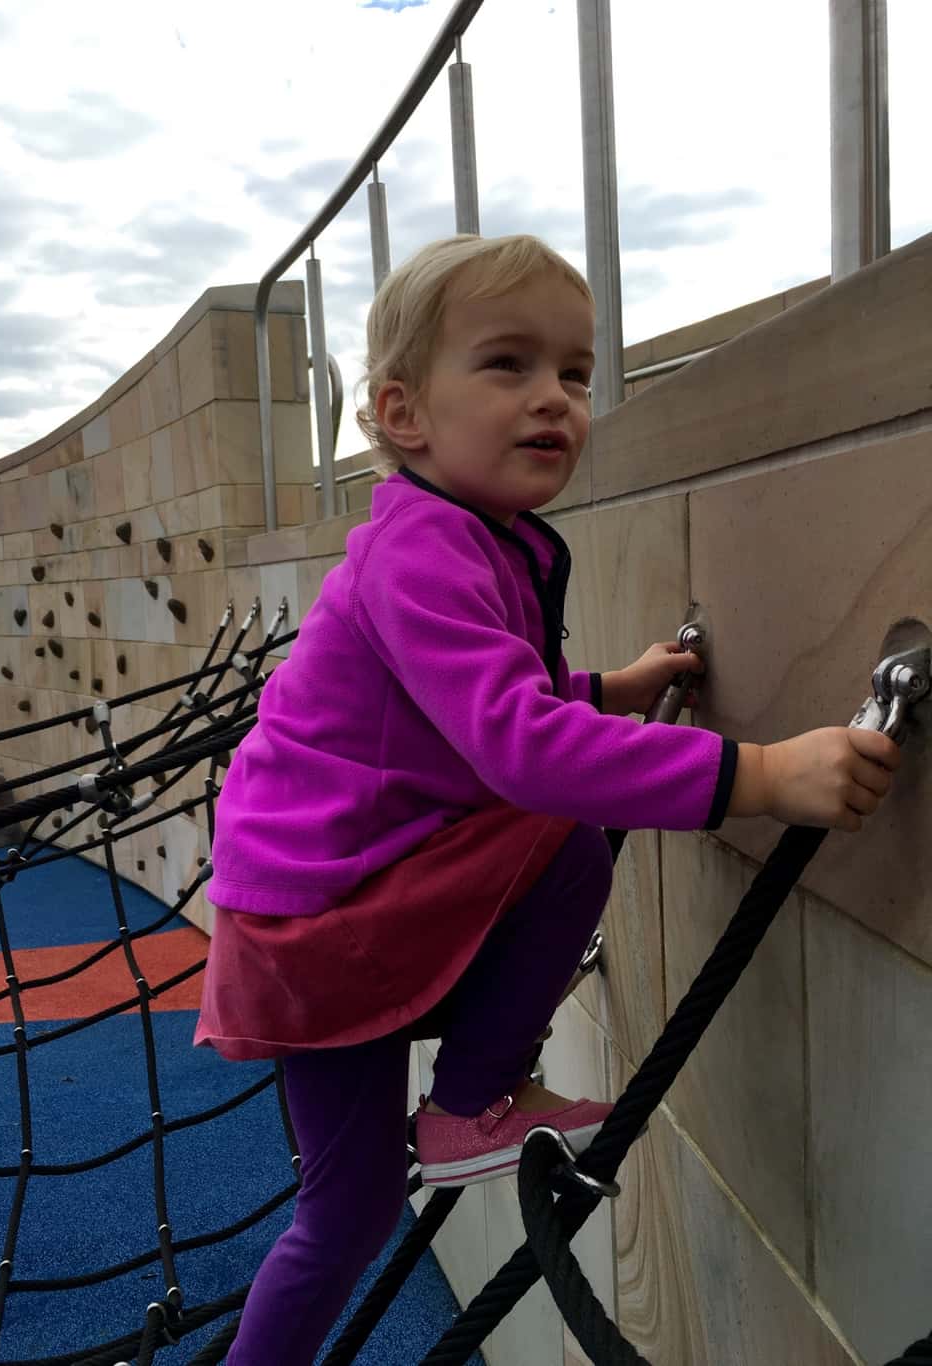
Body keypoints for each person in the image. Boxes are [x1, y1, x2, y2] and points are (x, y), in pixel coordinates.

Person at [194, 233, 900, 1364]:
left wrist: (606, 690)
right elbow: (515, 746)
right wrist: (759, 776)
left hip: (299, 920)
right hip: (325, 922)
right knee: (563, 837)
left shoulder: (466, 540)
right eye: (508, 364)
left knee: (346, 1213)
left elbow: (462, 704)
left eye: (573, 373)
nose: (554, 400)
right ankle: (471, 1102)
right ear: (402, 413)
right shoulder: (428, 552)